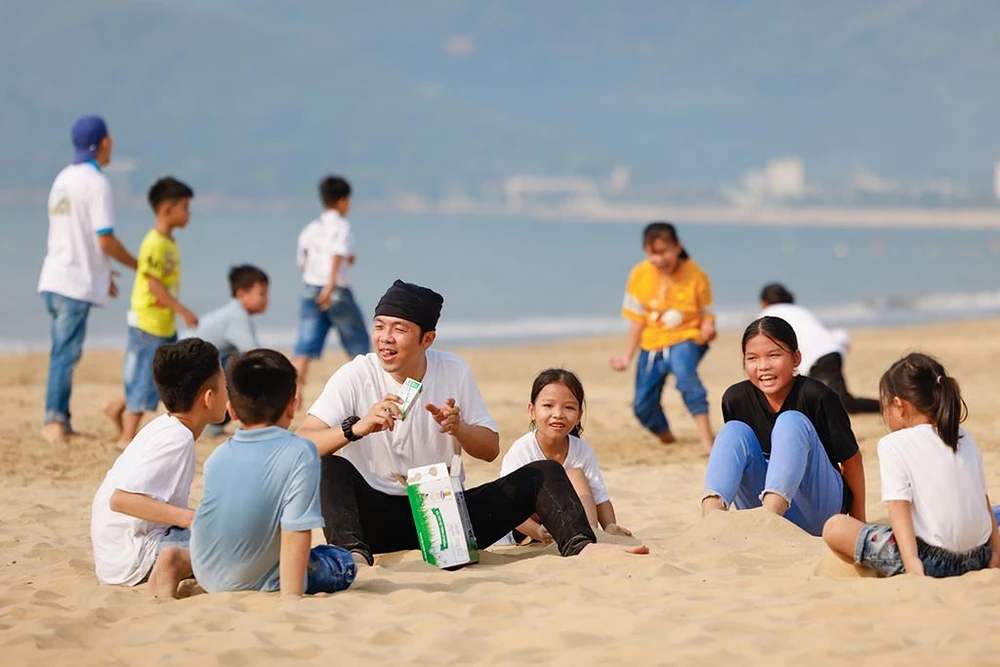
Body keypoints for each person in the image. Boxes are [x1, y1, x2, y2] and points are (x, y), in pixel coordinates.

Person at [295, 279, 648, 566]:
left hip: (445, 511)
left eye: (399, 329)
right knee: (328, 464)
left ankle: (580, 545)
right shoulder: (356, 374)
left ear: (427, 339)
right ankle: (353, 556)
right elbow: (302, 442)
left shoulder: (454, 370)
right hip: (375, 518)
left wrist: (458, 428)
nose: (385, 338)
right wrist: (353, 429)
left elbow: (490, 450)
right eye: (379, 327)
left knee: (544, 471)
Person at [190, 349, 357, 598]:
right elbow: (296, 532)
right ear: (292, 406)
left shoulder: (218, 456)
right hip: (261, 579)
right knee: (342, 562)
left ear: (232, 411)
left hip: (208, 575)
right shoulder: (300, 452)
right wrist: (291, 596)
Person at [823, 353, 1000, 577]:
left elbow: (898, 506)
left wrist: (912, 561)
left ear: (899, 405)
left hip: (931, 560)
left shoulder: (893, 444)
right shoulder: (962, 436)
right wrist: (995, 552)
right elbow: (982, 498)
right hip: (980, 555)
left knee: (835, 527)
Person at [701, 316, 866, 537]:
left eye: (774, 355)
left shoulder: (817, 396)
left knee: (791, 421)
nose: (763, 366)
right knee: (732, 431)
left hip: (817, 511)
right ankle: (711, 524)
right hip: (759, 509)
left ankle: (769, 517)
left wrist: (858, 524)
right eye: (752, 358)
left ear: (796, 358)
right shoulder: (736, 398)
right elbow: (737, 463)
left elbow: (851, 461)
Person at [90, 338, 227, 598]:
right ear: (208, 398)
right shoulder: (176, 438)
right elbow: (120, 500)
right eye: (225, 387)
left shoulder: (166, 427)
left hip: (120, 553)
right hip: (135, 557)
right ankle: (173, 563)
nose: (229, 393)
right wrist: (190, 519)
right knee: (240, 543)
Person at [37, 115, 137, 445]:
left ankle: (61, 419)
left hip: (54, 275)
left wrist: (103, 272)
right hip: (72, 282)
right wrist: (137, 264)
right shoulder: (96, 182)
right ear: (104, 142)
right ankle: (53, 421)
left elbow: (73, 234)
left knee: (62, 352)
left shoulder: (63, 178)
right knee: (65, 355)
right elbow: (103, 238)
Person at [104, 177, 198, 448]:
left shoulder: (170, 243)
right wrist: (183, 310)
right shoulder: (154, 243)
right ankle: (127, 435)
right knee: (144, 377)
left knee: (160, 375)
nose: (188, 213)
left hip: (163, 322)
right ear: (167, 209)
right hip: (148, 322)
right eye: (185, 207)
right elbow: (153, 285)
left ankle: (117, 406)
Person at [609, 222, 716, 450]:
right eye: (652, 254)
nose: (658, 259)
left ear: (678, 247)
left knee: (686, 377)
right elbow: (637, 319)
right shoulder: (639, 274)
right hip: (652, 343)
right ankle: (667, 437)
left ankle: (707, 439)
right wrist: (627, 356)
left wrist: (708, 328)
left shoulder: (696, 275)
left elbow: (706, 312)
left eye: (663, 252)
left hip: (685, 338)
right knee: (642, 405)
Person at [499, 368, 633, 544]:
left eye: (569, 407)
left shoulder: (582, 450)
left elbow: (600, 498)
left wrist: (610, 528)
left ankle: (588, 534)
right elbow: (507, 505)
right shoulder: (522, 450)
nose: (558, 414)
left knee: (575, 474)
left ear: (579, 416)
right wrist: (536, 532)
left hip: (566, 523)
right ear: (532, 410)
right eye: (548, 406)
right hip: (525, 528)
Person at [293, 176, 370, 404]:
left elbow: (303, 261)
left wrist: (319, 281)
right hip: (335, 289)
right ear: (343, 200)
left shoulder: (310, 228)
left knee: (305, 344)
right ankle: (368, 387)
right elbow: (336, 253)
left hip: (310, 286)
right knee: (358, 342)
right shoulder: (342, 226)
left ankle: (295, 394)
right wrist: (330, 285)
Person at [759, 283, 879, 414]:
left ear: (764, 303)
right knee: (828, 401)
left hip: (815, 357)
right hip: (830, 350)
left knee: (841, 403)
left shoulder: (766, 316)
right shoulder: (800, 311)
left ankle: (887, 405)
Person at [191, 264, 270, 436]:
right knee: (246, 374)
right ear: (241, 294)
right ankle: (215, 425)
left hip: (194, 359)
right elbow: (254, 352)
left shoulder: (234, 312)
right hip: (192, 364)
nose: (266, 299)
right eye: (261, 294)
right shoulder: (237, 316)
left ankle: (214, 424)